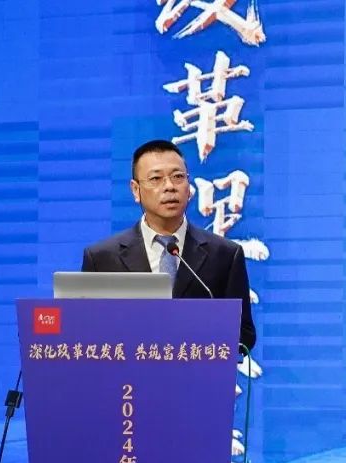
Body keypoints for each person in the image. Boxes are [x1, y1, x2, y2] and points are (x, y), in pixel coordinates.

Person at [80, 139, 256, 351]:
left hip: (195, 370)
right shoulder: (102, 258)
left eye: (178, 177)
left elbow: (244, 335)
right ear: (135, 190)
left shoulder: (225, 255)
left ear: (188, 187)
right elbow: (86, 333)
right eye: (156, 178)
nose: (170, 187)